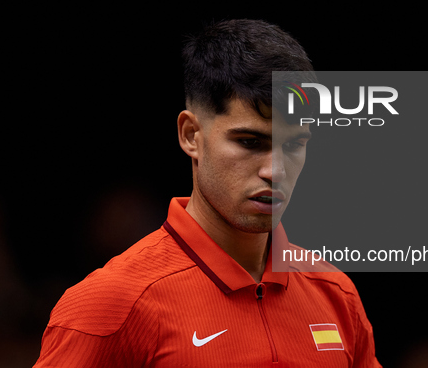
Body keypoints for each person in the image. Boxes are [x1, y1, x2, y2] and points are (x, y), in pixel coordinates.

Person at [34, 19, 382, 367]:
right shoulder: (112, 305)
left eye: (294, 144)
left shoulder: (336, 295)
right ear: (190, 135)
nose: (275, 171)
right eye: (250, 142)